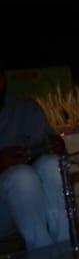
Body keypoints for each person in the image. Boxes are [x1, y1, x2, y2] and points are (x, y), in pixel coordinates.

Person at [0, 69, 70, 249]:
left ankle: (65, 246)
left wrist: (56, 147)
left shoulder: (24, 108)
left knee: (52, 165)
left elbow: (44, 149)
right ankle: (44, 253)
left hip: (30, 200)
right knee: (20, 176)